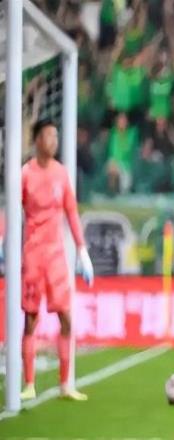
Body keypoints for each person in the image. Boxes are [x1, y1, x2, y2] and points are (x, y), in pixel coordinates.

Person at [20, 119, 94, 401]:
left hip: (56, 257)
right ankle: (29, 383)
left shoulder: (61, 173)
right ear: (37, 140)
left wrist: (82, 251)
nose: (54, 141)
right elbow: (13, 209)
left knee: (66, 317)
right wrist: (4, 241)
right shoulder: (25, 173)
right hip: (32, 255)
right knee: (30, 318)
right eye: (49, 136)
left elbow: (71, 212)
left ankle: (65, 383)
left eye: (56, 136)